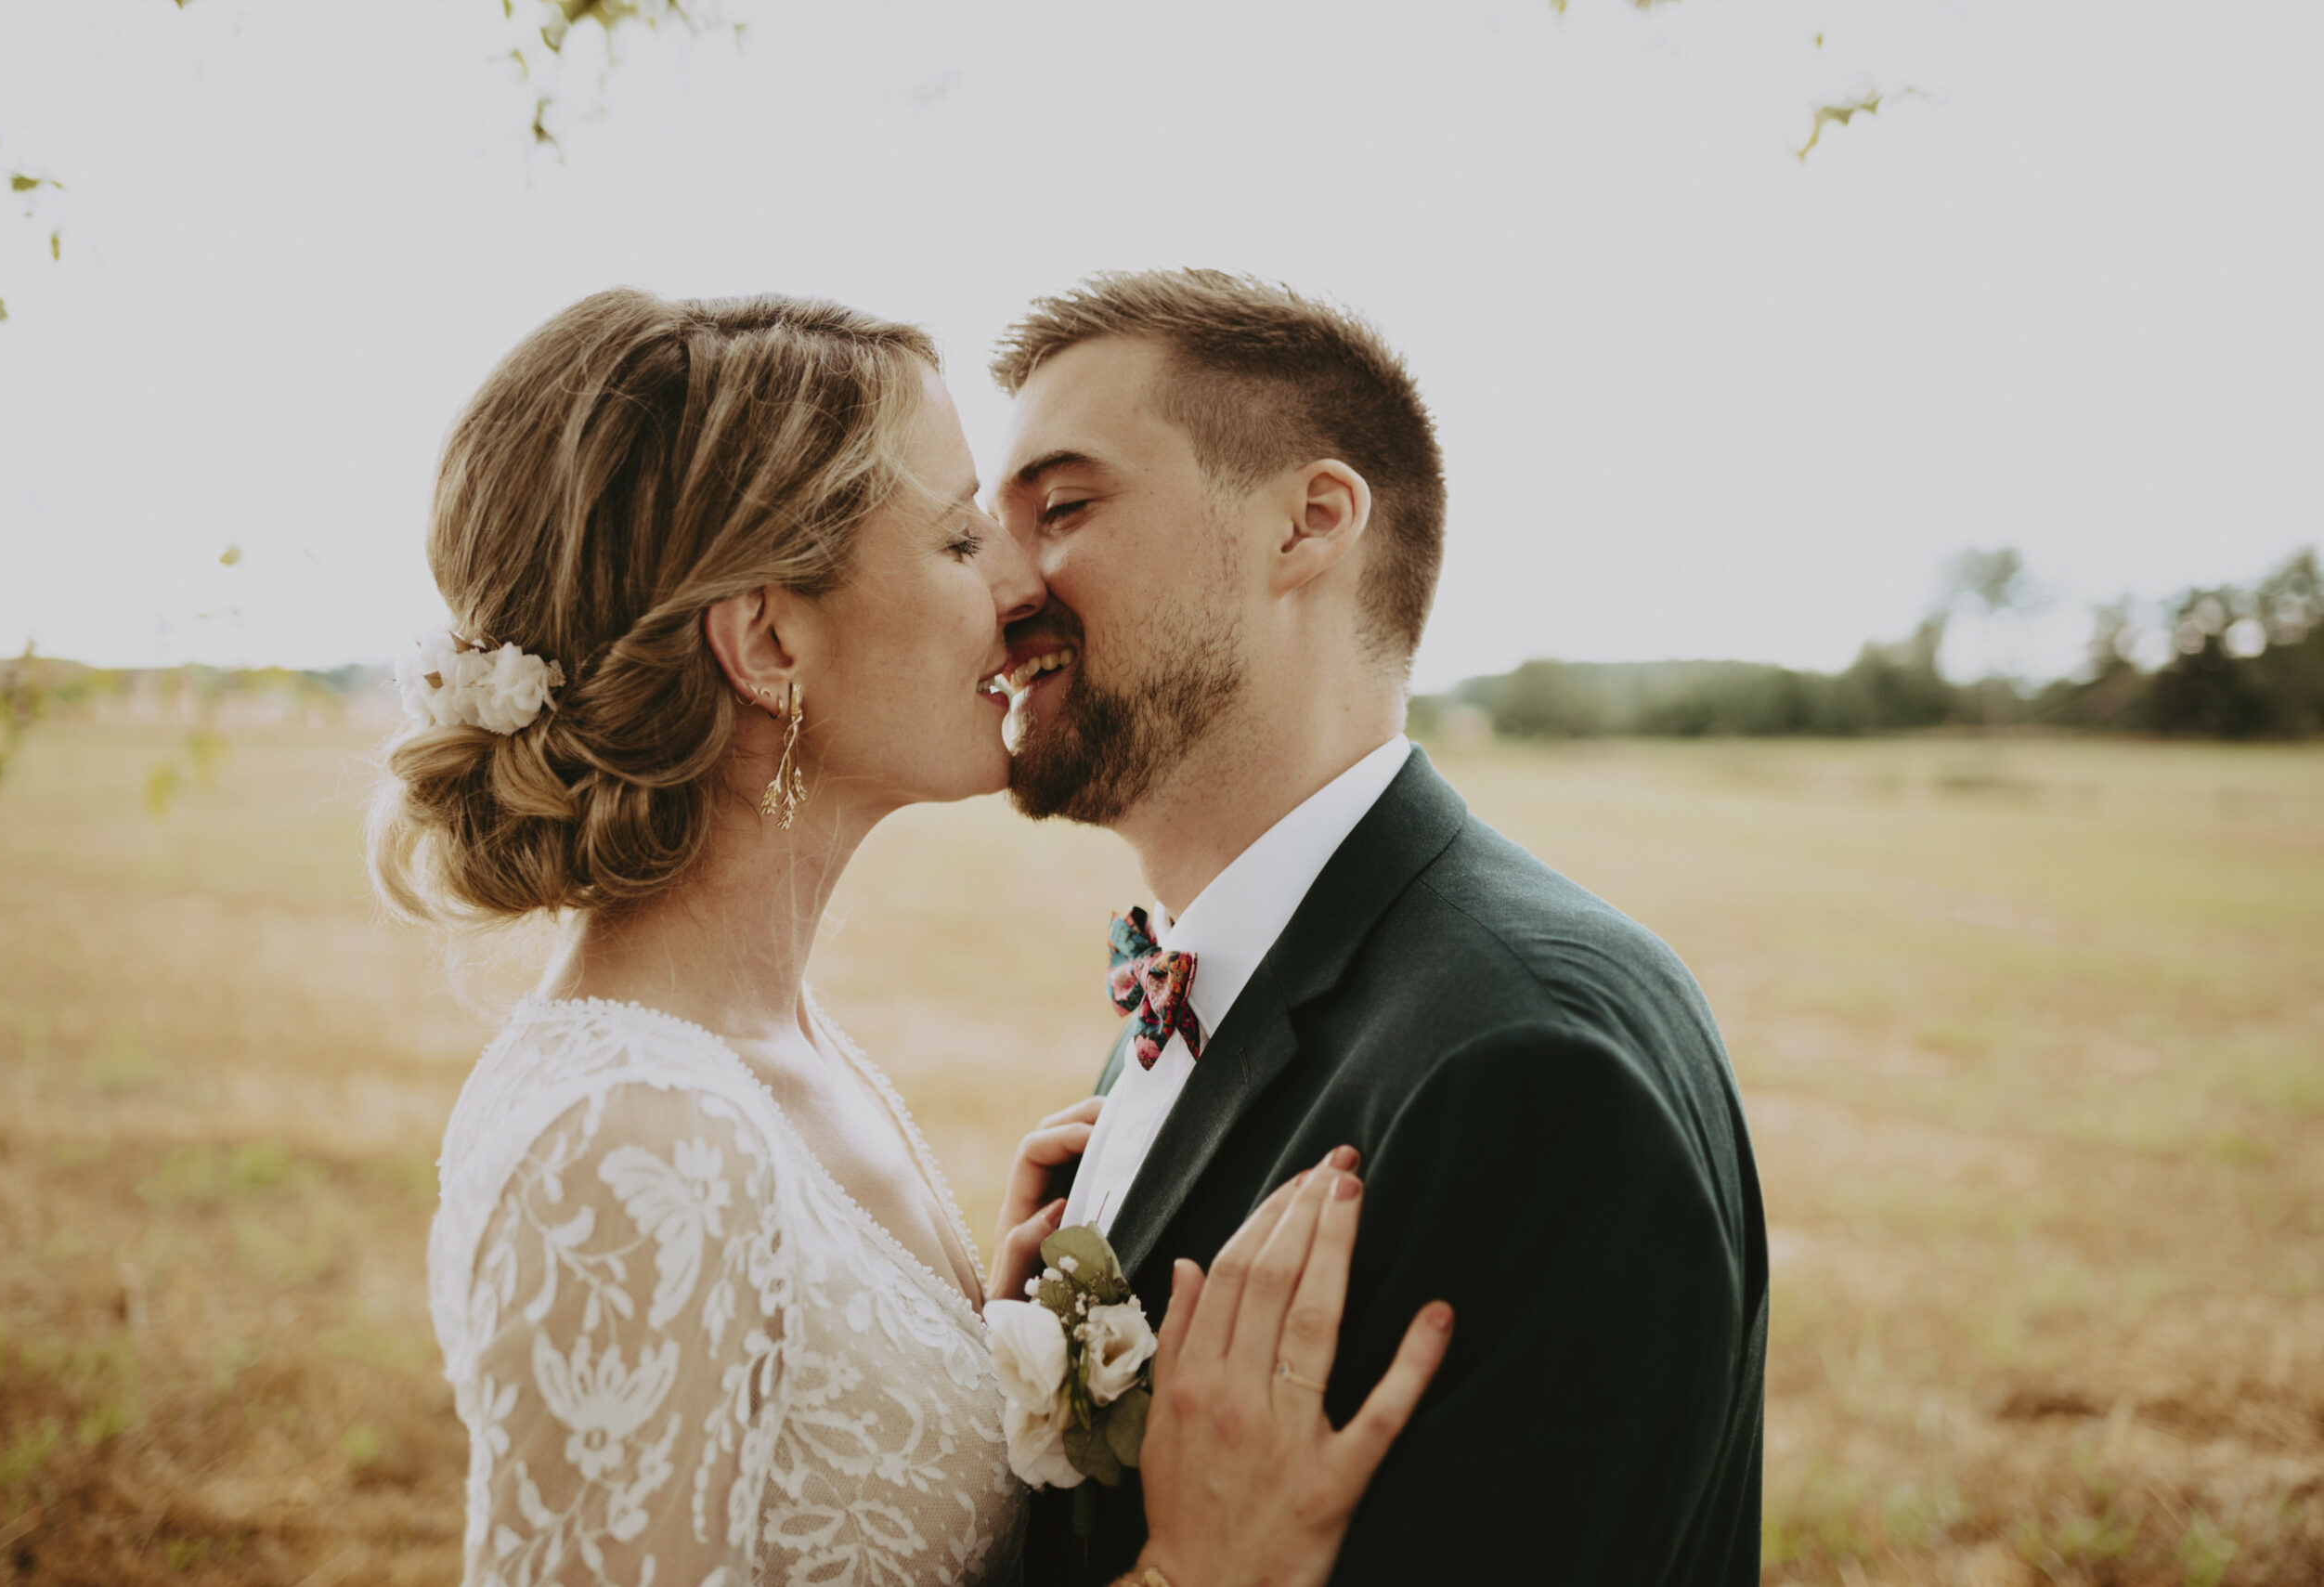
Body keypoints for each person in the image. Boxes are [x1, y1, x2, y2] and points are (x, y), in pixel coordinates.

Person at [370, 289, 1453, 1587]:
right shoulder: (633, 1144)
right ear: (771, 639)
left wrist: (969, 1353)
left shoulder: (780, 1052)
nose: (1019, 583)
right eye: (956, 538)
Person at [987, 269, 1771, 1585]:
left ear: (1310, 522)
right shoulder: (1219, 970)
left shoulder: (1532, 1070)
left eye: (1062, 507)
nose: (996, 588)